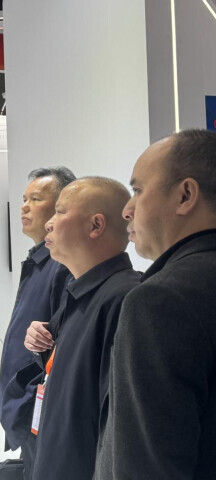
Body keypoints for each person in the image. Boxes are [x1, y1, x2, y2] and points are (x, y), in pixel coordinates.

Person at [95, 130, 216, 480]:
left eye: (137, 190)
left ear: (185, 195)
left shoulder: (160, 300)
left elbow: (147, 467)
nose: (127, 210)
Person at [24, 177, 140, 480]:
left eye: (60, 212)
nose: (49, 223)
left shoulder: (125, 299)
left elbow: (119, 425)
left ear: (96, 225)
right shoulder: (79, 292)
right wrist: (42, 346)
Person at [0, 167, 75, 479]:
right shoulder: (38, 260)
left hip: (39, 409)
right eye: (23, 199)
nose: (24, 207)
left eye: (35, 199)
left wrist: (30, 400)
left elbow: (60, 347)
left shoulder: (61, 264)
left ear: (61, 207)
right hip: (28, 407)